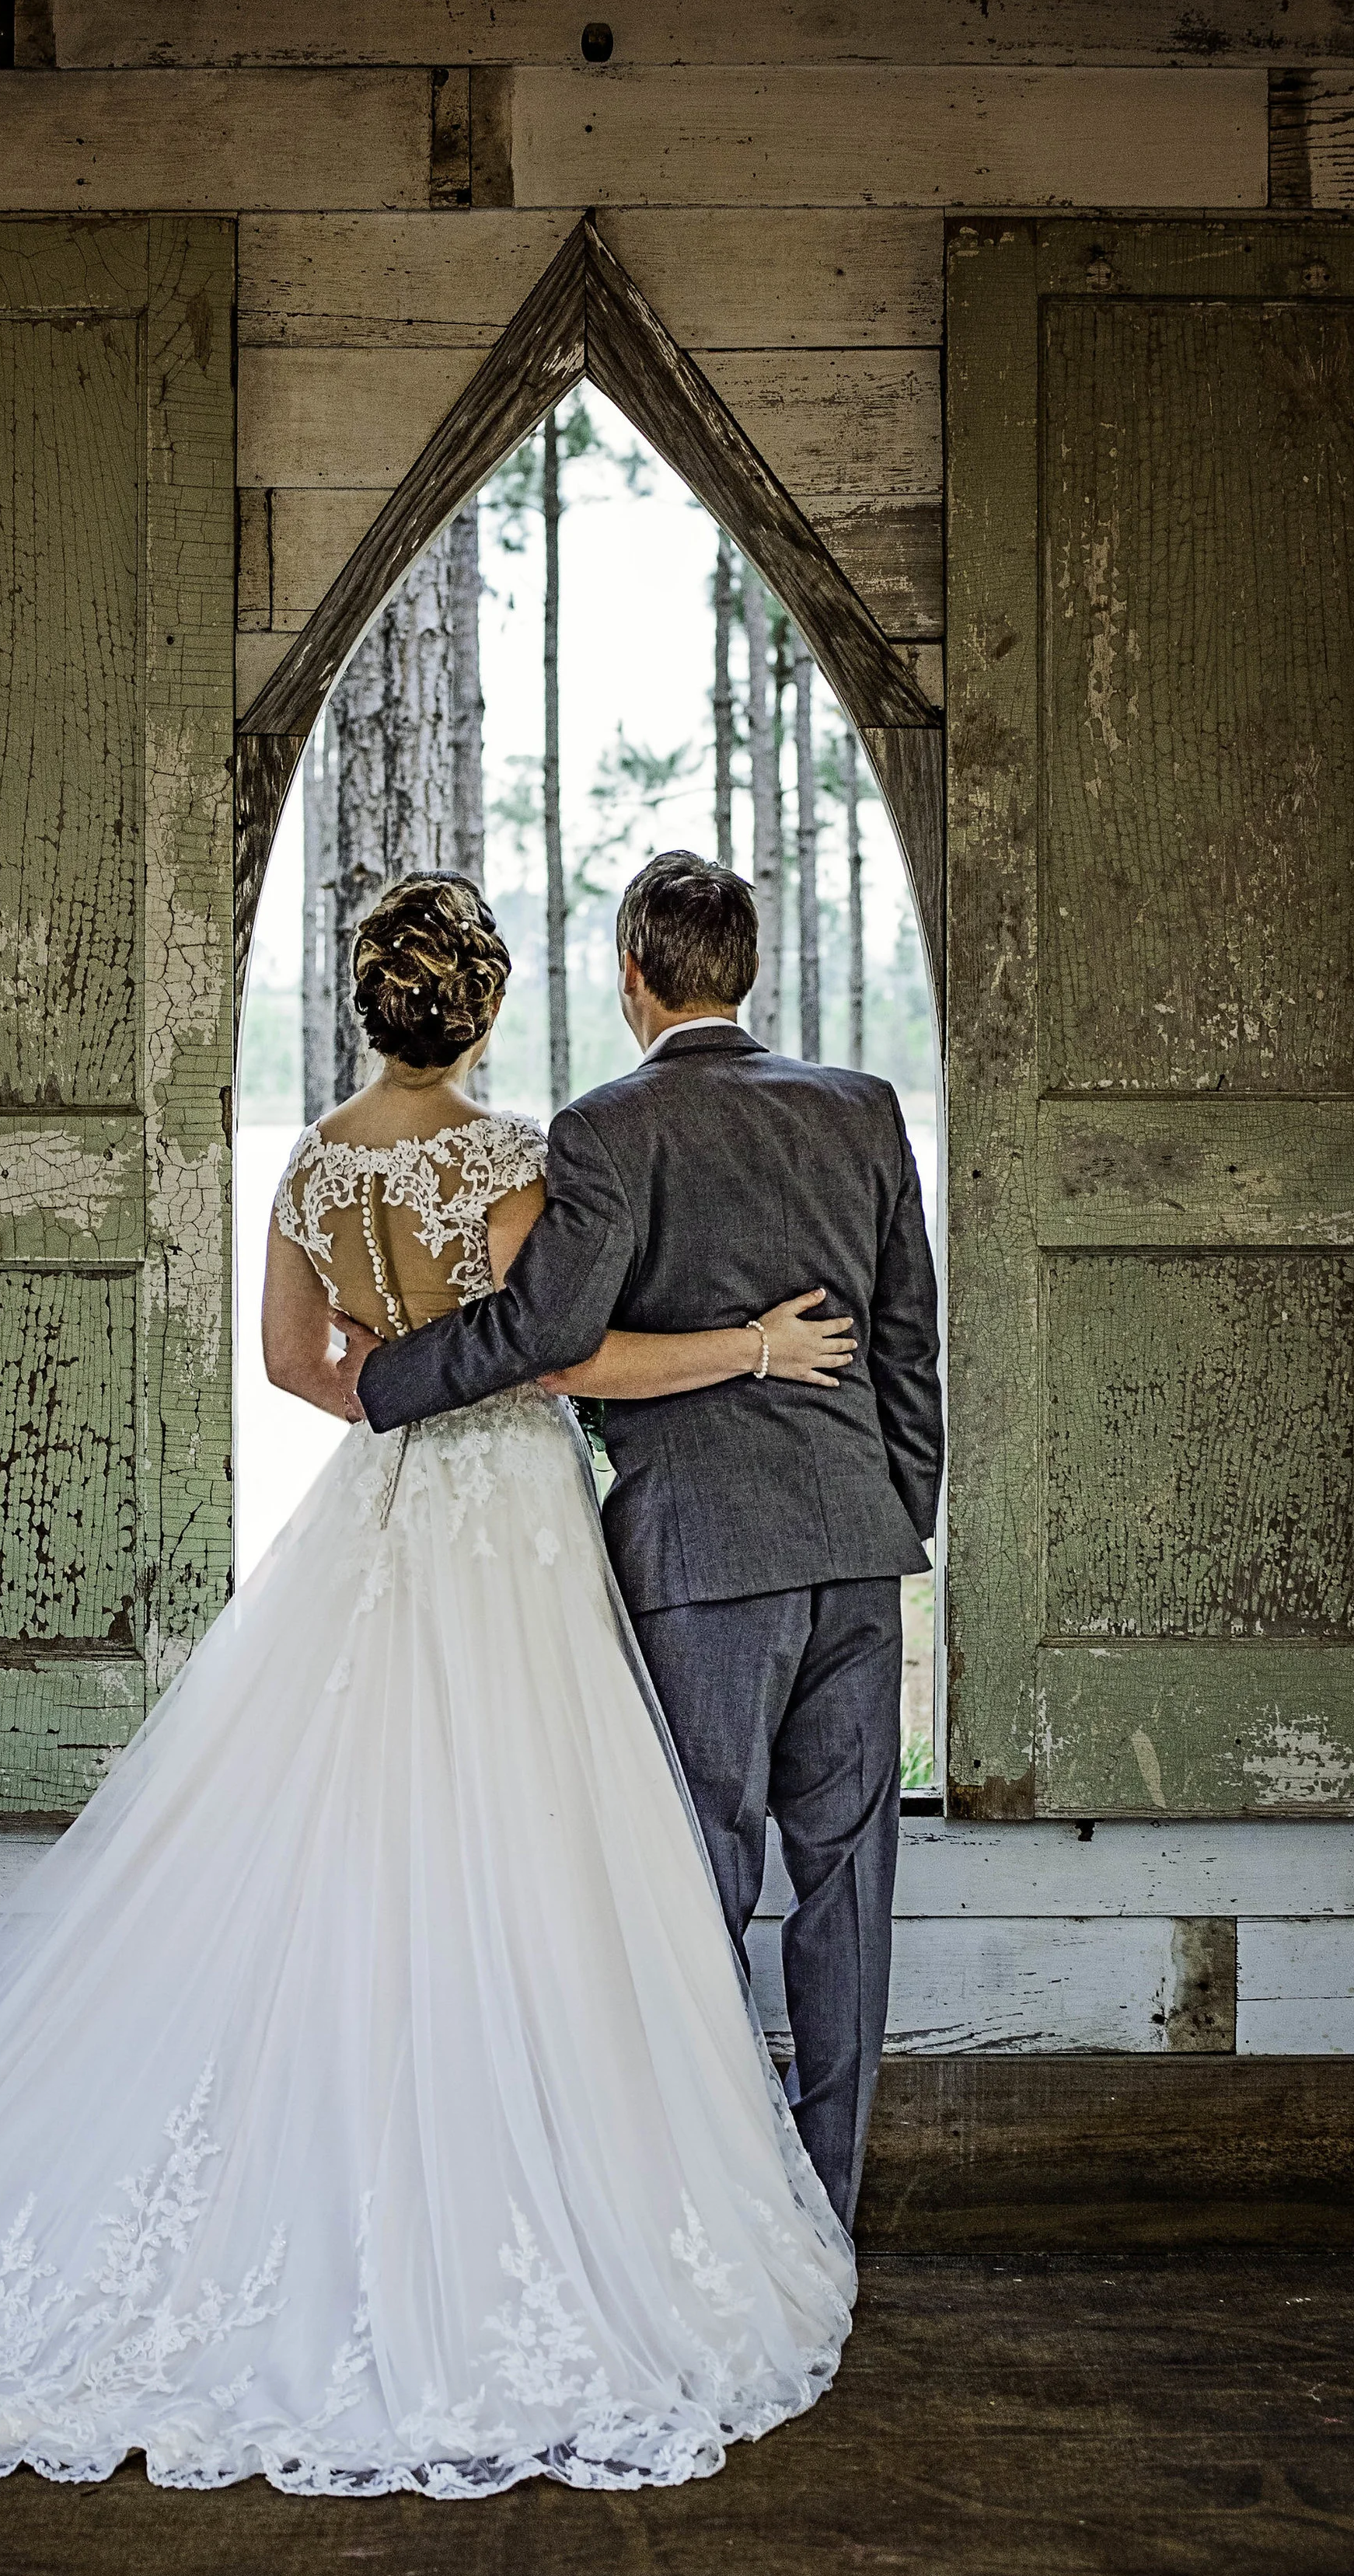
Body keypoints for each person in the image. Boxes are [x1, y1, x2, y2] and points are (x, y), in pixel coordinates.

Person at [0, 873, 861, 2500]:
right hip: (510, 1517)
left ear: (369, 1005)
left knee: (339, 1824)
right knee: (524, 1833)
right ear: (492, 1005)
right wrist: (742, 1352)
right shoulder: (521, 1156)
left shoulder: (315, 1160)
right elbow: (557, 1352)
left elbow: (294, 1366)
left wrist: (392, 1404)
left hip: (380, 1511)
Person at [354, 852, 944, 2229]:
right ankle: (827, 2213)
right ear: (749, 970)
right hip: (858, 1548)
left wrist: (390, 1383)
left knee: (701, 1882)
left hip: (700, 1559)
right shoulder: (862, 1109)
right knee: (848, 1888)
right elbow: (909, 1346)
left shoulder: (606, 1129)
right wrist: (894, 1511)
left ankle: (713, 2212)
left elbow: (548, 1333)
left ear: (631, 975)